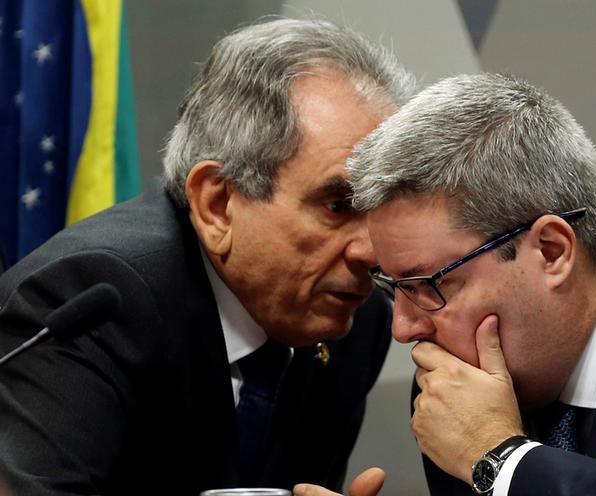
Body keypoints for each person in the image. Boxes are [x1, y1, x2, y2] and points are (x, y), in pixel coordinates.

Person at [0, 18, 414, 496]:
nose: (371, 252)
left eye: (380, 208)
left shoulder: (358, 325)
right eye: (337, 206)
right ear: (217, 204)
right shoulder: (91, 300)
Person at [294, 72, 596, 495]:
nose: (404, 328)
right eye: (396, 286)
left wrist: (499, 456)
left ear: (551, 251)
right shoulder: (468, 388)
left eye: (428, 284)